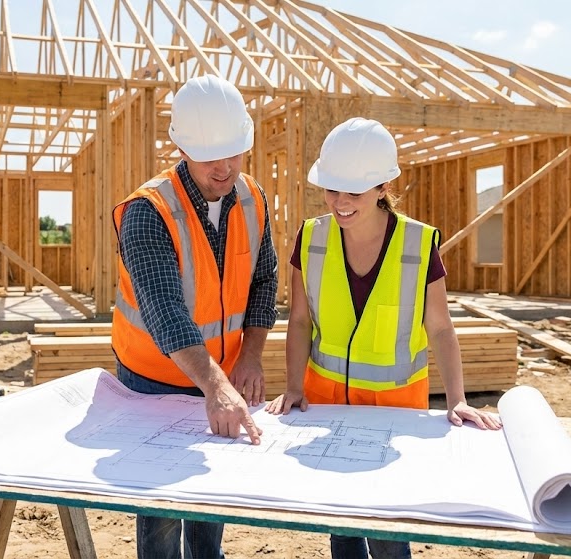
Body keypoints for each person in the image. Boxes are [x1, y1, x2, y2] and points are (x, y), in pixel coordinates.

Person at [266, 118, 502, 559]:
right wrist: (294, 386)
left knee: (388, 529)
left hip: (396, 410)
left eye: (353, 193)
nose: (340, 203)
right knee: (341, 523)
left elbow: (440, 328)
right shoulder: (311, 237)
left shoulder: (417, 243)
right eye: (332, 190)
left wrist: (457, 399)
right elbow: (299, 321)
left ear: (382, 187)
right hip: (327, 404)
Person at [112, 74, 278, 559]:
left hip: (221, 368)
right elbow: (165, 311)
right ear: (182, 148)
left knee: (211, 495)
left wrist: (250, 357)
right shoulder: (149, 211)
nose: (225, 169)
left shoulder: (252, 198)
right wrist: (216, 385)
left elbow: (264, 280)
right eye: (211, 157)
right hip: (153, 377)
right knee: (163, 502)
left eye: (234, 154)